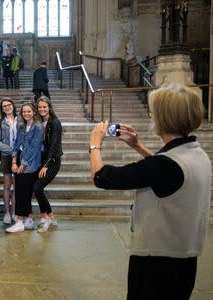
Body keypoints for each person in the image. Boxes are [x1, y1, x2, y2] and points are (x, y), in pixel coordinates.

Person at [90, 84, 210, 299]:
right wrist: (137, 146)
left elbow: (102, 177)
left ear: (164, 118)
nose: (151, 115)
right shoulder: (197, 154)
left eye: (154, 111)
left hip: (156, 262)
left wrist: (94, 143)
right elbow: (164, 172)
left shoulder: (165, 165)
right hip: (184, 257)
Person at [5, 103, 43, 233]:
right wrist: (14, 162)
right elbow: (16, 144)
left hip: (31, 165)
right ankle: (29, 221)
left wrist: (23, 164)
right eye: (24, 112)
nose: (26, 114)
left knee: (22, 193)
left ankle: (20, 221)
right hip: (19, 162)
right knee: (23, 193)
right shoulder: (21, 126)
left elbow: (34, 148)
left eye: (29, 111)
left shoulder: (38, 127)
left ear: (34, 112)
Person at [34, 97, 61, 232]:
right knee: (38, 189)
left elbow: (54, 146)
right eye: (39, 107)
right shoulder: (39, 122)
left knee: (38, 188)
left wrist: (46, 165)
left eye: (44, 107)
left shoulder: (55, 123)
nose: (42, 109)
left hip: (52, 162)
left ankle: (47, 217)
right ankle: (49, 217)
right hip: (42, 161)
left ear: (49, 107)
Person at [0, 98, 18, 224]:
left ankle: (14, 212)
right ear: (2, 109)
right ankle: (7, 213)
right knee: (7, 186)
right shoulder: (0, 122)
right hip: (6, 156)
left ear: (13, 105)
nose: (7, 107)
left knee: (17, 186)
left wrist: (17, 151)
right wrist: (11, 150)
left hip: (20, 155)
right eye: (4, 106)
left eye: (9, 104)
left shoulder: (20, 120)